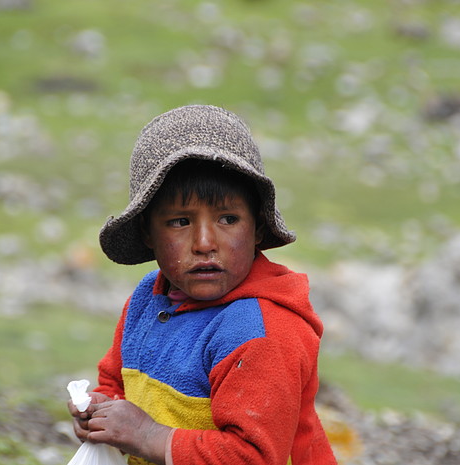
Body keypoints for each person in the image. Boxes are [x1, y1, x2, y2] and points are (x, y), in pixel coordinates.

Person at [68, 104, 337, 465]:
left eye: (228, 218)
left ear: (257, 227)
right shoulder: (149, 300)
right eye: (180, 221)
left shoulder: (261, 331)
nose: (205, 242)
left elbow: (251, 457)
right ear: (148, 231)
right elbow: (114, 380)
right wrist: (103, 412)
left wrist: (146, 435)